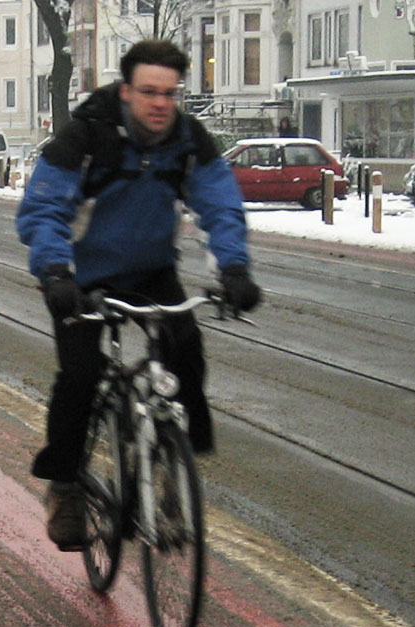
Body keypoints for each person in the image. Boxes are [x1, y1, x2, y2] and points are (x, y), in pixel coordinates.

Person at [16, 39, 260, 551]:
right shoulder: (88, 133)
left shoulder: (188, 139)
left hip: (150, 270)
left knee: (186, 352)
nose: (159, 104)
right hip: (79, 275)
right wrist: (55, 273)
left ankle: (174, 467)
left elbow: (220, 203)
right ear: (126, 90)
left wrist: (235, 268)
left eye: (170, 93)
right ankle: (65, 487)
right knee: (80, 377)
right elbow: (44, 209)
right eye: (148, 91)